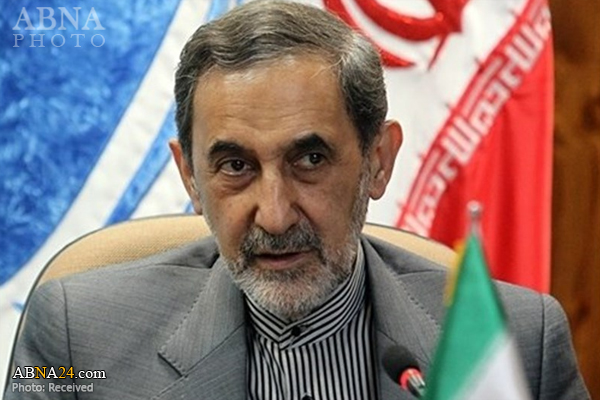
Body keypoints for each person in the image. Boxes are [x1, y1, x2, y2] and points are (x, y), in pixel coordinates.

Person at [5, 1, 589, 399]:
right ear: (189, 177)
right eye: (235, 166)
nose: (276, 214)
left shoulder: (516, 343)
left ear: (378, 161)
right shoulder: (76, 338)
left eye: (309, 160)